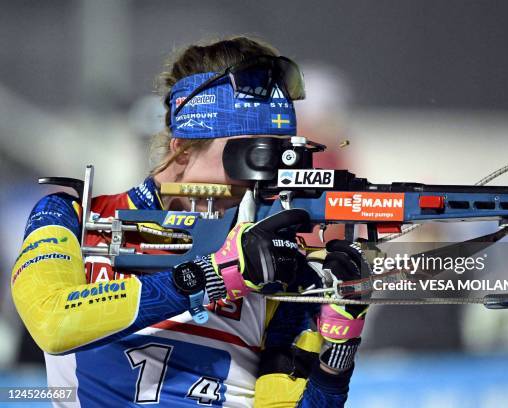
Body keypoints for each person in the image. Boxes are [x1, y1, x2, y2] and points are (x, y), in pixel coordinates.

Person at [11, 36, 369, 407]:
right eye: (249, 155)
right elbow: (51, 322)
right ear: (182, 147)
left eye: (278, 155)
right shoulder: (75, 217)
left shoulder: (279, 263)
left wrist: (337, 357)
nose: (263, 177)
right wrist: (210, 275)